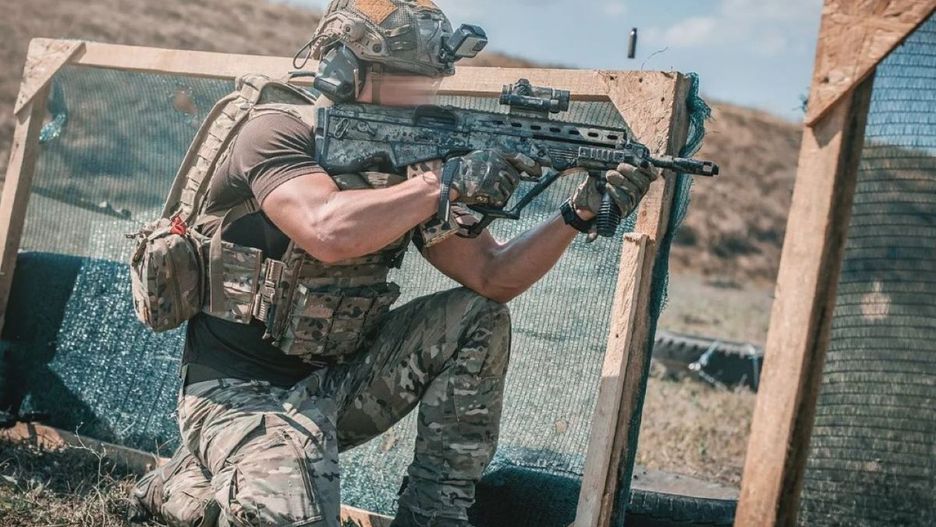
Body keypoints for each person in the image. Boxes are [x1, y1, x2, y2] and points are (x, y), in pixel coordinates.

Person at [130, 1, 656, 526]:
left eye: (431, 81)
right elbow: (326, 229)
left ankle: (433, 516)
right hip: (234, 393)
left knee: (479, 317)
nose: (422, 95)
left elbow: (492, 275)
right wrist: (441, 184)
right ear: (345, 68)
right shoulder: (274, 131)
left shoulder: (412, 162)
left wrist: (576, 215)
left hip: (338, 387)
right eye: (407, 78)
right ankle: (193, 483)